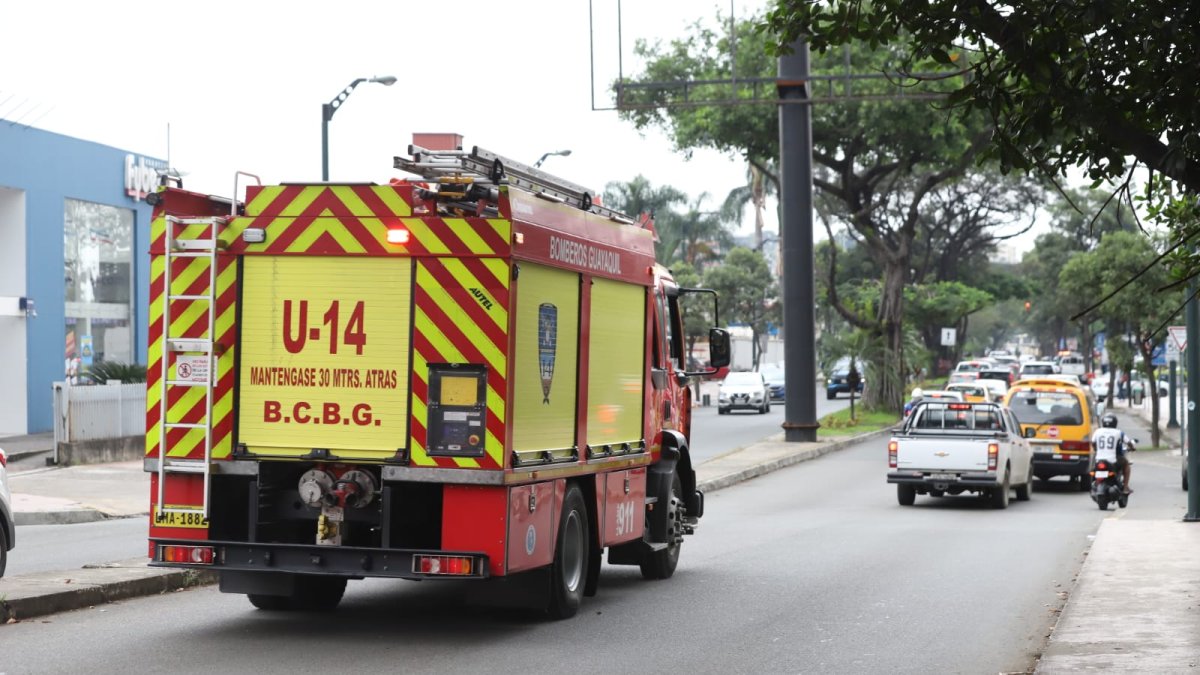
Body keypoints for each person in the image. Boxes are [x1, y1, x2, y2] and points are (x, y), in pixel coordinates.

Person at [1091, 413, 1134, 493]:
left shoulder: (1098, 431)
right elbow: (1128, 443)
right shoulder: (1119, 432)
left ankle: (1094, 485)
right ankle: (1125, 487)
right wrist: (1132, 448)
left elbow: (1093, 443)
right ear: (1115, 423)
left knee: (1093, 468)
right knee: (1126, 464)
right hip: (1112, 460)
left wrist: (1096, 449)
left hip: (1099, 460)